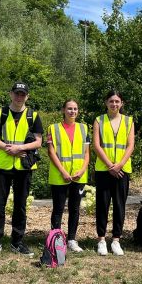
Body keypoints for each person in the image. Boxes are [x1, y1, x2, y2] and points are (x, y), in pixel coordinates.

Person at [0, 81, 43, 258]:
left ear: (27, 97)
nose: (19, 97)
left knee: (20, 205)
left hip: (24, 167)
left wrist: (20, 149)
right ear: (11, 94)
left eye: (22, 94)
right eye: (16, 93)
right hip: (3, 165)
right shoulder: (0, 113)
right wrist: (8, 149)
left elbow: (38, 141)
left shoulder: (33, 115)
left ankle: (17, 242)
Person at [93, 90, 135, 256]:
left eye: (117, 101)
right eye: (111, 101)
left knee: (119, 205)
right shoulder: (99, 120)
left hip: (122, 170)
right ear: (106, 103)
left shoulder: (128, 121)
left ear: (121, 103)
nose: (114, 104)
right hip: (104, 170)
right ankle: (101, 240)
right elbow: (97, 145)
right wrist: (111, 165)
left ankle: (116, 239)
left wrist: (120, 165)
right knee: (102, 205)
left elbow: (130, 145)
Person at [47, 99, 90, 253]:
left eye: (75, 109)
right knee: (58, 209)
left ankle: (71, 239)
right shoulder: (53, 128)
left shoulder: (84, 128)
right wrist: (63, 172)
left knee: (75, 209)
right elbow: (51, 152)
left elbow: (87, 154)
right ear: (63, 110)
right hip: (60, 176)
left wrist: (82, 170)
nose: (73, 111)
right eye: (69, 109)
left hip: (78, 176)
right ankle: (56, 239)